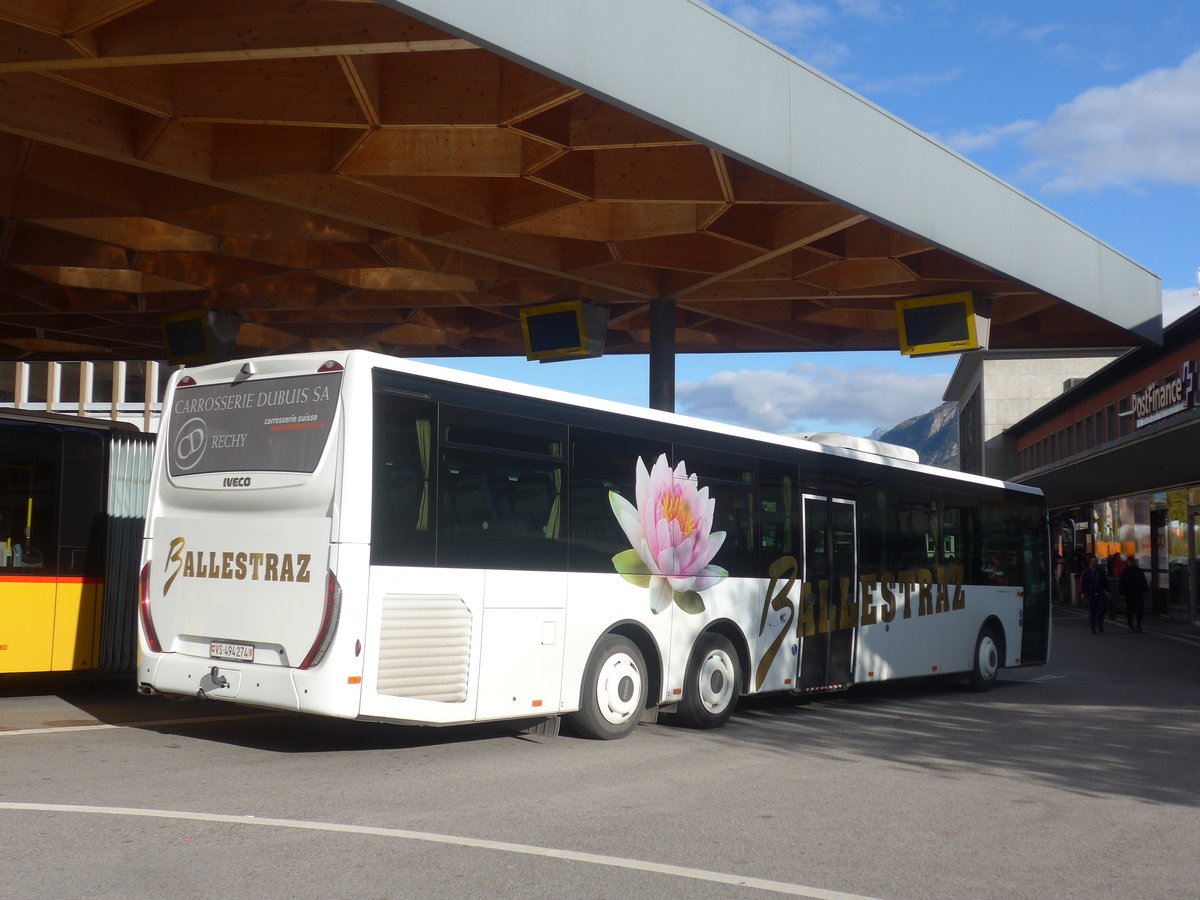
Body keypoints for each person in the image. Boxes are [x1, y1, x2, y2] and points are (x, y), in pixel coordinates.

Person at [1119, 555, 1149, 633]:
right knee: (1130, 609)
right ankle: (1130, 624)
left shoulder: (1139, 571)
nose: (1131, 563)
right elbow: (1122, 583)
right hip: (1129, 593)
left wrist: (1145, 589)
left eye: (1132, 562)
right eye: (1129, 562)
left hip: (1138, 592)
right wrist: (1122, 593)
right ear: (1127, 563)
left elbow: (1143, 580)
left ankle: (1138, 623)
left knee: (1140, 608)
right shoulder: (1125, 572)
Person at [1080, 553, 1107, 634]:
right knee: (1092, 612)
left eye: (1096, 561)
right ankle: (1093, 627)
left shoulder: (1100, 572)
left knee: (1103, 610)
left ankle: (1100, 623)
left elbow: (1105, 581)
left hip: (1100, 593)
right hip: (1091, 594)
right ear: (1090, 562)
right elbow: (1082, 583)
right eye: (1093, 561)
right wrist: (1082, 593)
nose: (1095, 563)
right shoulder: (1086, 572)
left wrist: (1107, 590)